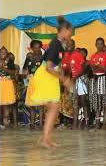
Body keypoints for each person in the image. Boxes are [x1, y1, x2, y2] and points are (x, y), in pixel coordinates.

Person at [31, 16, 73, 149]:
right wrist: (65, 79)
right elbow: (48, 67)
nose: (71, 34)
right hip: (45, 76)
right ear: (65, 30)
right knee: (54, 107)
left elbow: (55, 65)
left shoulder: (59, 43)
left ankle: (46, 138)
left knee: (54, 108)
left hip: (51, 77)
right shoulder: (56, 44)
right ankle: (45, 139)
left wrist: (60, 74)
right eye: (70, 31)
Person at [89, 38, 106, 130]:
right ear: (95, 44)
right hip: (96, 79)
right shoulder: (93, 56)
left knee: (105, 102)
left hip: (103, 79)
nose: (99, 45)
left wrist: (99, 67)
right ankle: (97, 123)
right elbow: (92, 69)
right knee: (97, 103)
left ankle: (104, 124)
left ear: (103, 45)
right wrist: (94, 68)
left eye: (101, 44)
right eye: (98, 44)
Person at [23, 40, 44, 130]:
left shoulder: (44, 58)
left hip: (42, 83)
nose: (37, 49)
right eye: (35, 47)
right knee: (32, 105)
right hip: (32, 83)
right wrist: (26, 74)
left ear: (41, 47)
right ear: (31, 48)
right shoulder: (29, 58)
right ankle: (32, 123)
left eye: (38, 47)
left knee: (40, 105)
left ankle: (41, 124)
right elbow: (25, 71)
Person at [0, 47, 17, 129]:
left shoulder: (9, 62)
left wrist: (3, 68)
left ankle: (5, 121)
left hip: (7, 84)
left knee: (6, 104)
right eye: (1, 52)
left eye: (4, 52)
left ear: (7, 54)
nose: (3, 53)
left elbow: (13, 73)